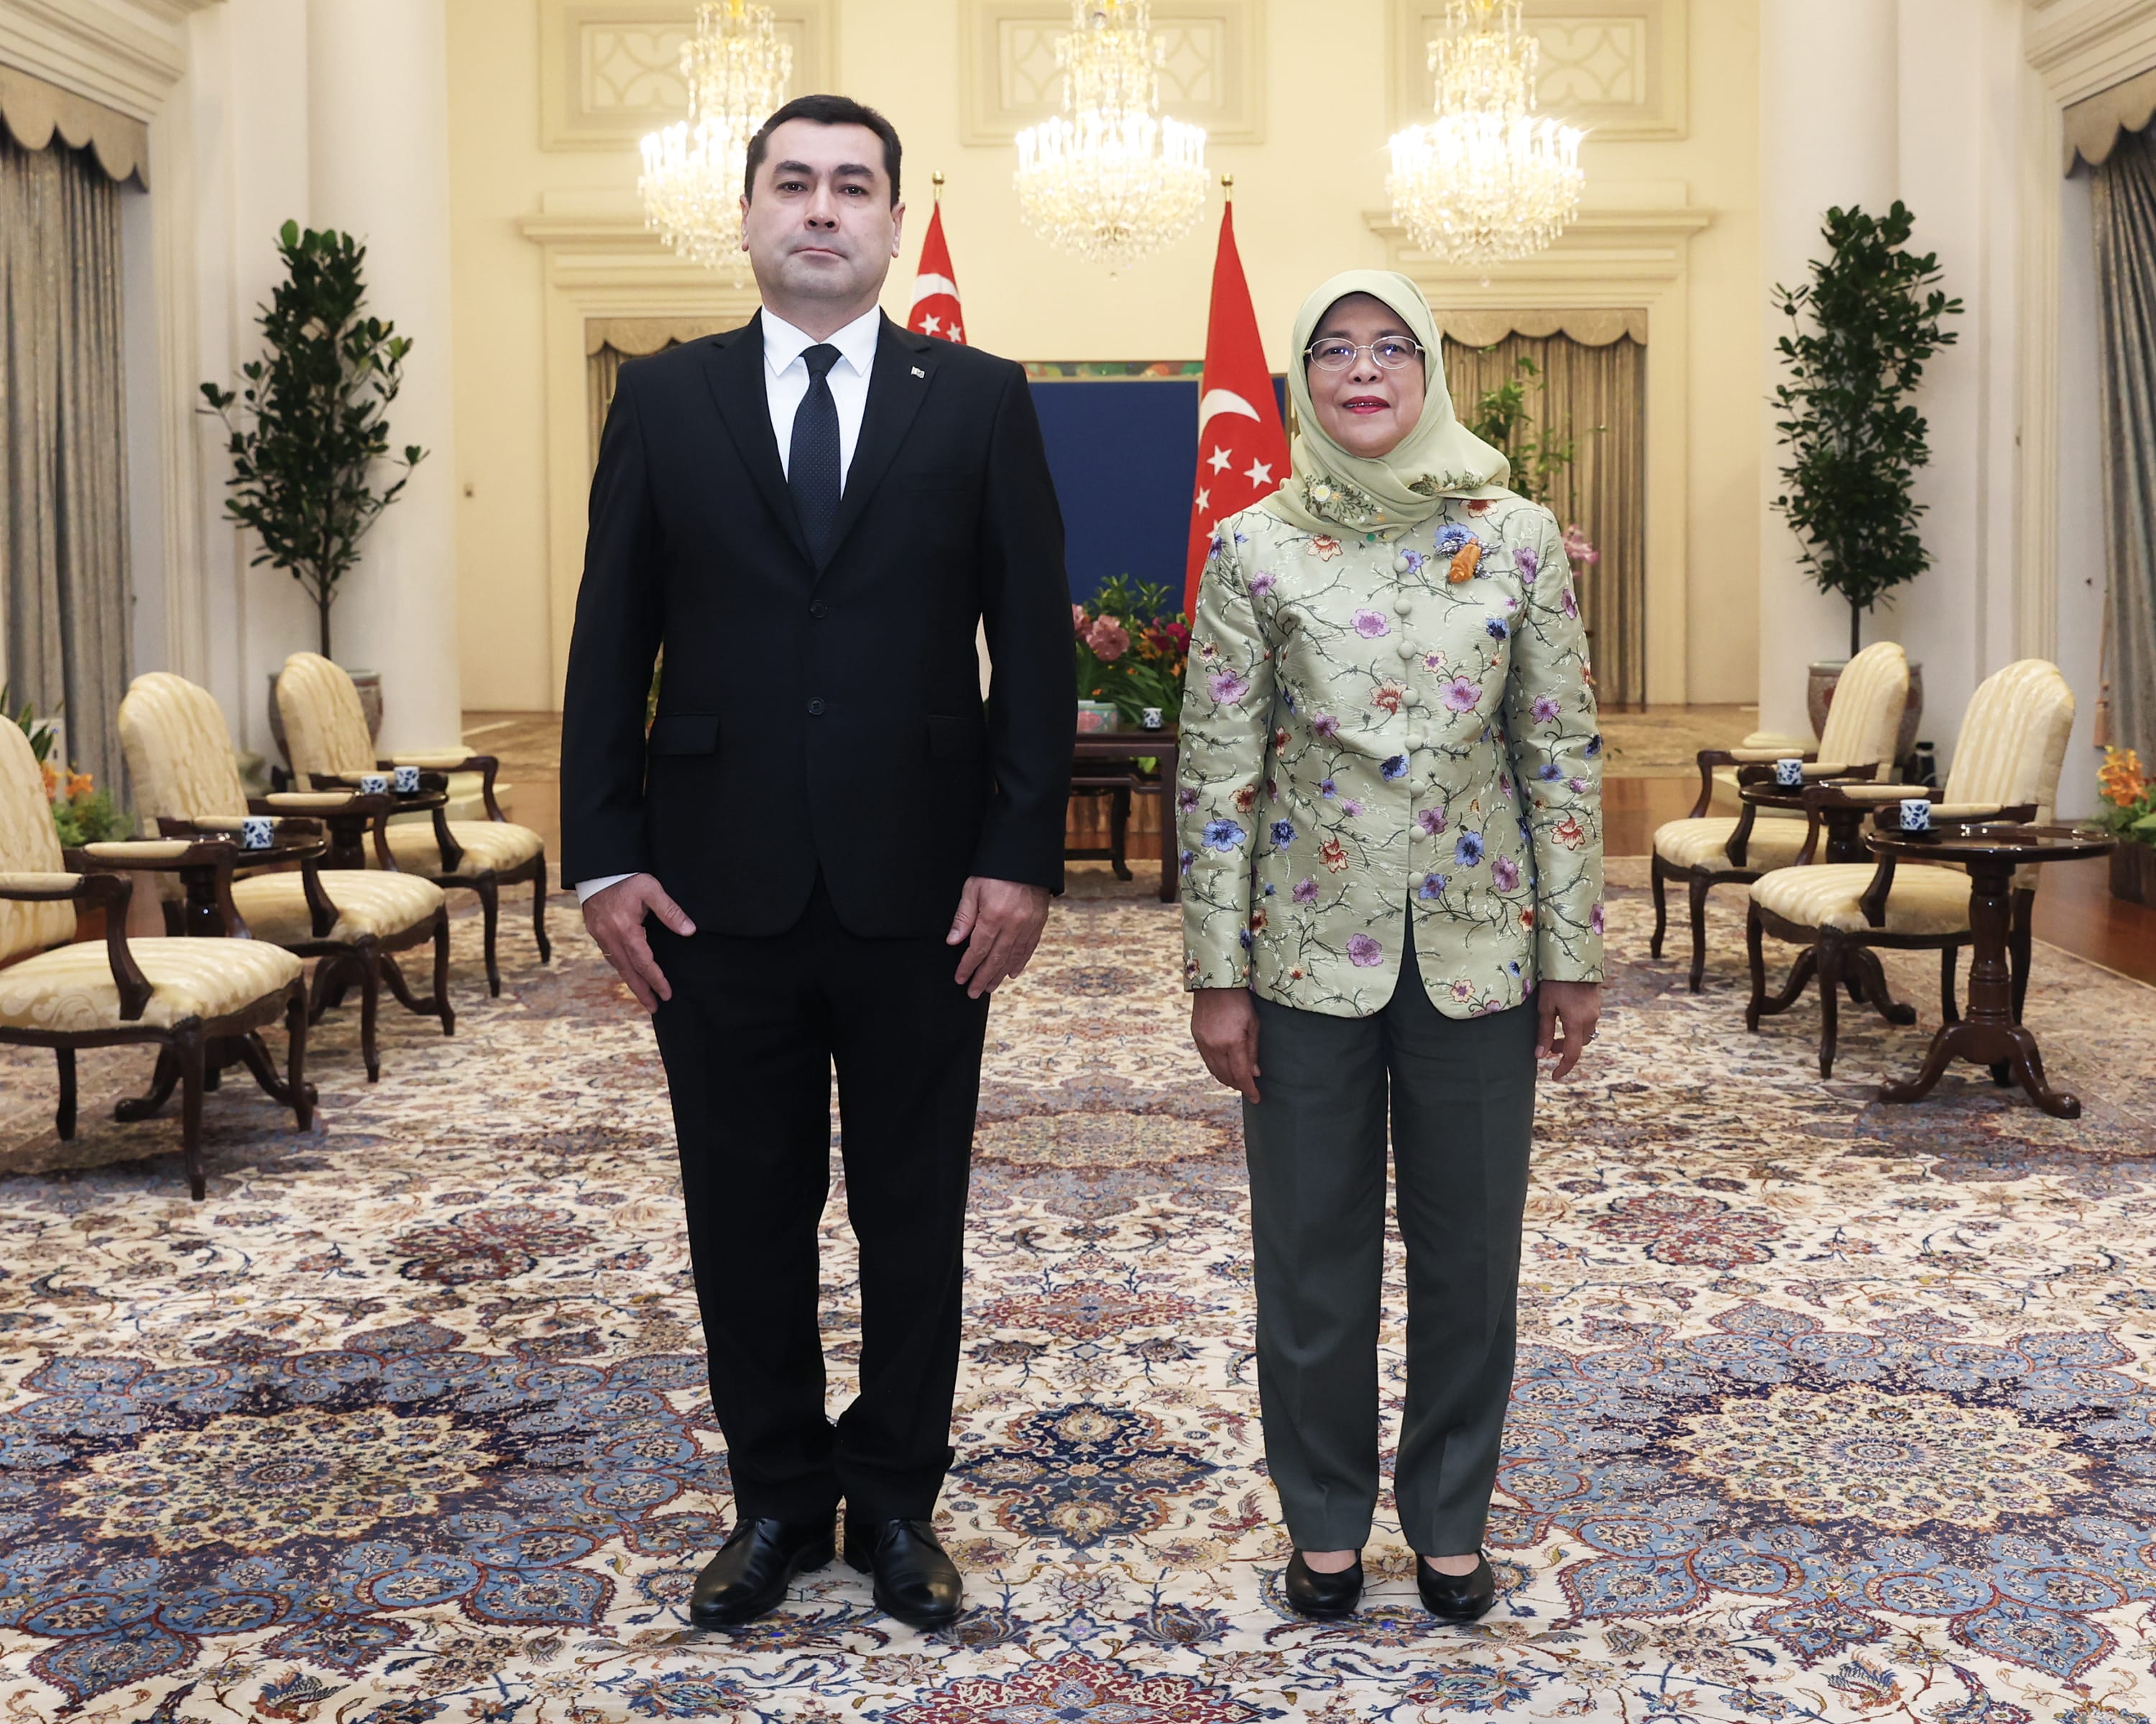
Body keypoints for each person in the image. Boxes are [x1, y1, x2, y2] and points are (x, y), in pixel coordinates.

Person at [561, 93, 1074, 1631]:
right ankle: (778, 1502)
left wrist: (1021, 854)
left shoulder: (980, 399)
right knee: (745, 1210)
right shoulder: (665, 399)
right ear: (747, 217)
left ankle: (900, 1505)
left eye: (855, 187)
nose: (824, 210)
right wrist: (602, 859)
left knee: (915, 1214)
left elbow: (1031, 650)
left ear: (894, 223)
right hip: (717, 897)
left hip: (929, 897)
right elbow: (610, 641)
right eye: (795, 184)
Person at [1176, 270, 1603, 1623]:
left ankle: (1452, 1516)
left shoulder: (1519, 537)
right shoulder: (1254, 549)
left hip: (1479, 949)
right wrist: (1216, 974)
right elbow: (1217, 770)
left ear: (1428, 371)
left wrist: (1573, 952)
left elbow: (1559, 754)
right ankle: (1322, 1521)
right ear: (1306, 379)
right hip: (1304, 952)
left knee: (1472, 1257)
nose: (1364, 373)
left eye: (1392, 348)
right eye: (1335, 351)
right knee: (1310, 1251)